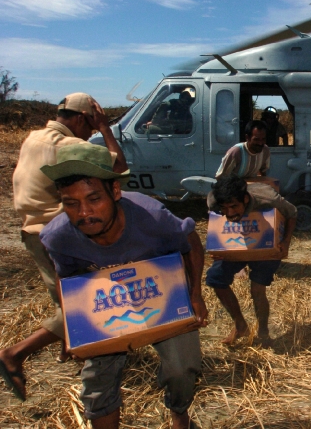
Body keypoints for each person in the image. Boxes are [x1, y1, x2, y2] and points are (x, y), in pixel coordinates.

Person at [39, 143, 207, 429]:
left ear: (115, 192)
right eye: (71, 203)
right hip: (109, 305)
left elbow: (190, 241)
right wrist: (72, 325)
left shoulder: (151, 217)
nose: (84, 213)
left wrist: (195, 294)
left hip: (162, 297)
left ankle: (179, 412)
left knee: (182, 368)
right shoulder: (58, 237)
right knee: (97, 381)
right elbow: (65, 277)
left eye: (94, 199)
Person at [0, 92, 127, 403]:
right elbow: (120, 167)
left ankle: (71, 349)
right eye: (91, 125)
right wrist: (107, 131)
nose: (91, 132)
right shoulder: (68, 146)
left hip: (31, 230)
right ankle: (15, 353)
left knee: (64, 296)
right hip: (59, 235)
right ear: (84, 119)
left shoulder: (33, 137)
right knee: (81, 303)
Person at [206, 175, 297, 346]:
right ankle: (240, 325)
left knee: (257, 288)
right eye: (225, 208)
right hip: (236, 243)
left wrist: (285, 243)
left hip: (266, 243)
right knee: (215, 278)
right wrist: (217, 247)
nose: (230, 213)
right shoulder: (213, 200)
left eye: (234, 206)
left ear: (246, 199)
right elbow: (215, 222)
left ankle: (263, 331)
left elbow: (292, 213)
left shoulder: (268, 198)